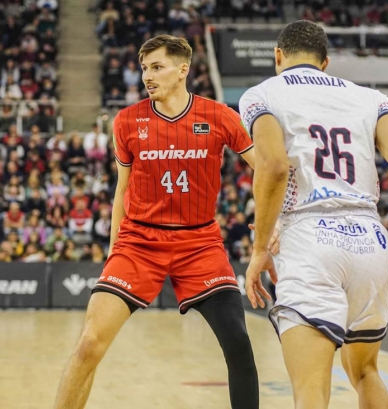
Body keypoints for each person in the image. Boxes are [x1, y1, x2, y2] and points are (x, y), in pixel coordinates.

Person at [240, 21, 388, 409]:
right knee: (365, 373)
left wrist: (260, 247)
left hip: (309, 235)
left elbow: (273, 167)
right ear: (326, 62)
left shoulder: (261, 94)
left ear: (277, 56)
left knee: (311, 390)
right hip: (368, 237)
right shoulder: (371, 98)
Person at [55, 35, 259, 409]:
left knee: (238, 342)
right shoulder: (127, 121)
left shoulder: (219, 116)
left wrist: (268, 220)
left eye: (157, 67)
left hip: (200, 244)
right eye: (145, 68)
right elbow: (122, 190)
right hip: (138, 242)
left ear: (183, 70)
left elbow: (267, 169)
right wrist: (116, 249)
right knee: (88, 345)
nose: (147, 76)